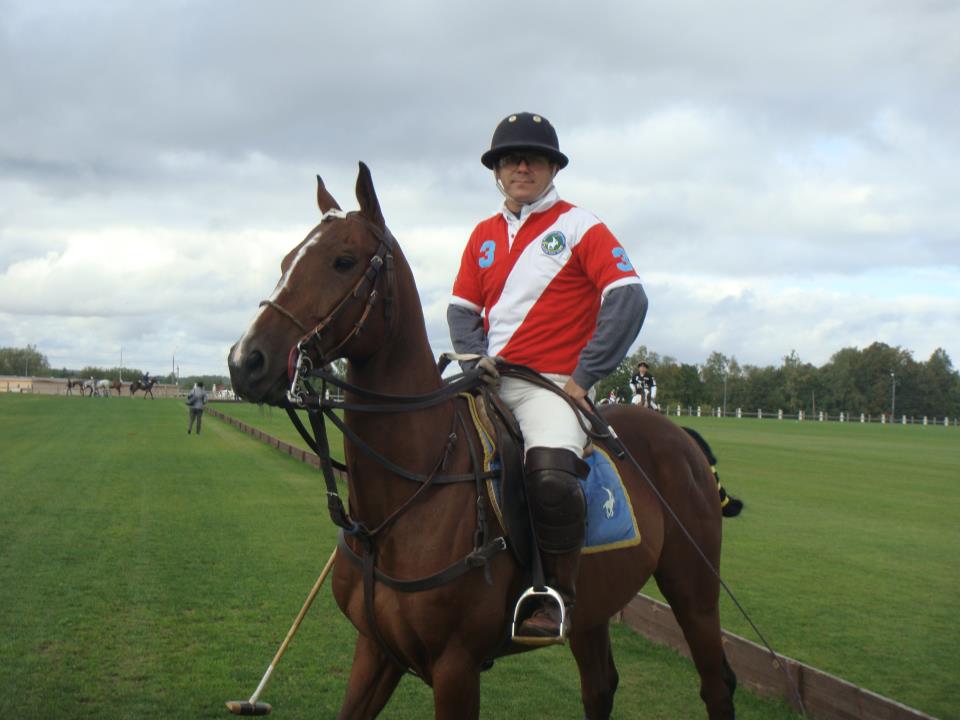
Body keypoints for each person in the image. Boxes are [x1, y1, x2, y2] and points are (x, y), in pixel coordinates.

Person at [448, 111, 648, 640]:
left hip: (552, 385)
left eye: (534, 159)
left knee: (552, 474)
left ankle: (554, 593)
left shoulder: (580, 226)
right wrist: (472, 360)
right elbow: (461, 310)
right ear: (497, 171)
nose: (522, 167)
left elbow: (628, 297)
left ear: (552, 168)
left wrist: (584, 377)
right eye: (511, 160)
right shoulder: (483, 234)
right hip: (489, 380)